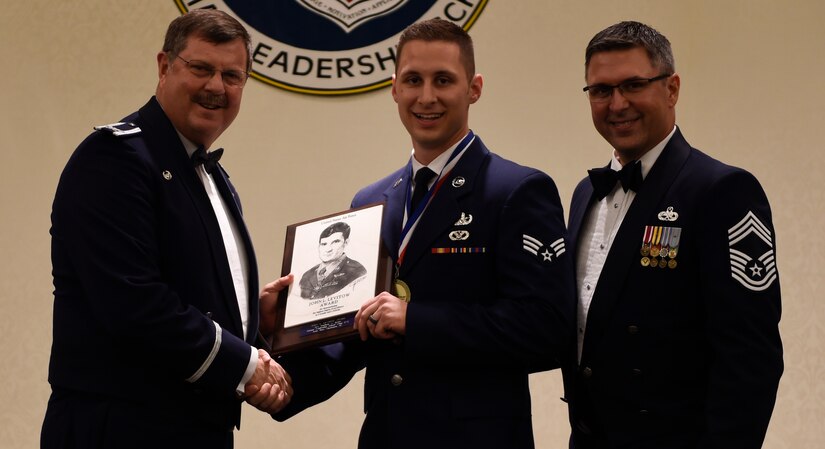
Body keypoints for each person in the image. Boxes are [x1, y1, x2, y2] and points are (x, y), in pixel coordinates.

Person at [262, 18, 575, 449]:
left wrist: (417, 320)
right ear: (394, 89)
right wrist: (280, 355)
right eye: (413, 80)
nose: (426, 97)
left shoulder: (516, 191)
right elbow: (355, 336)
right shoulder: (372, 202)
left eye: (443, 80)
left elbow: (546, 328)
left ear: (474, 88)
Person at [42, 9, 292, 449]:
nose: (216, 86)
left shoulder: (214, 179)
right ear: (164, 66)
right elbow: (135, 304)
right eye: (201, 68)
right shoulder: (116, 160)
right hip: (120, 427)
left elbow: (189, 292)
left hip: (191, 427)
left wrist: (254, 321)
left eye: (232, 76)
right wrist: (249, 365)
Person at [564, 21, 783, 448]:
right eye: (601, 90)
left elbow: (751, 360)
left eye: (633, 85)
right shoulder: (584, 194)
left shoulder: (722, 190)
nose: (617, 103)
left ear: (672, 88)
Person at [299, 221, 367, 299]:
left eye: (335, 242)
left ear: (346, 242)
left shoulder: (357, 271)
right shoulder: (307, 275)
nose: (328, 249)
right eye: (324, 244)